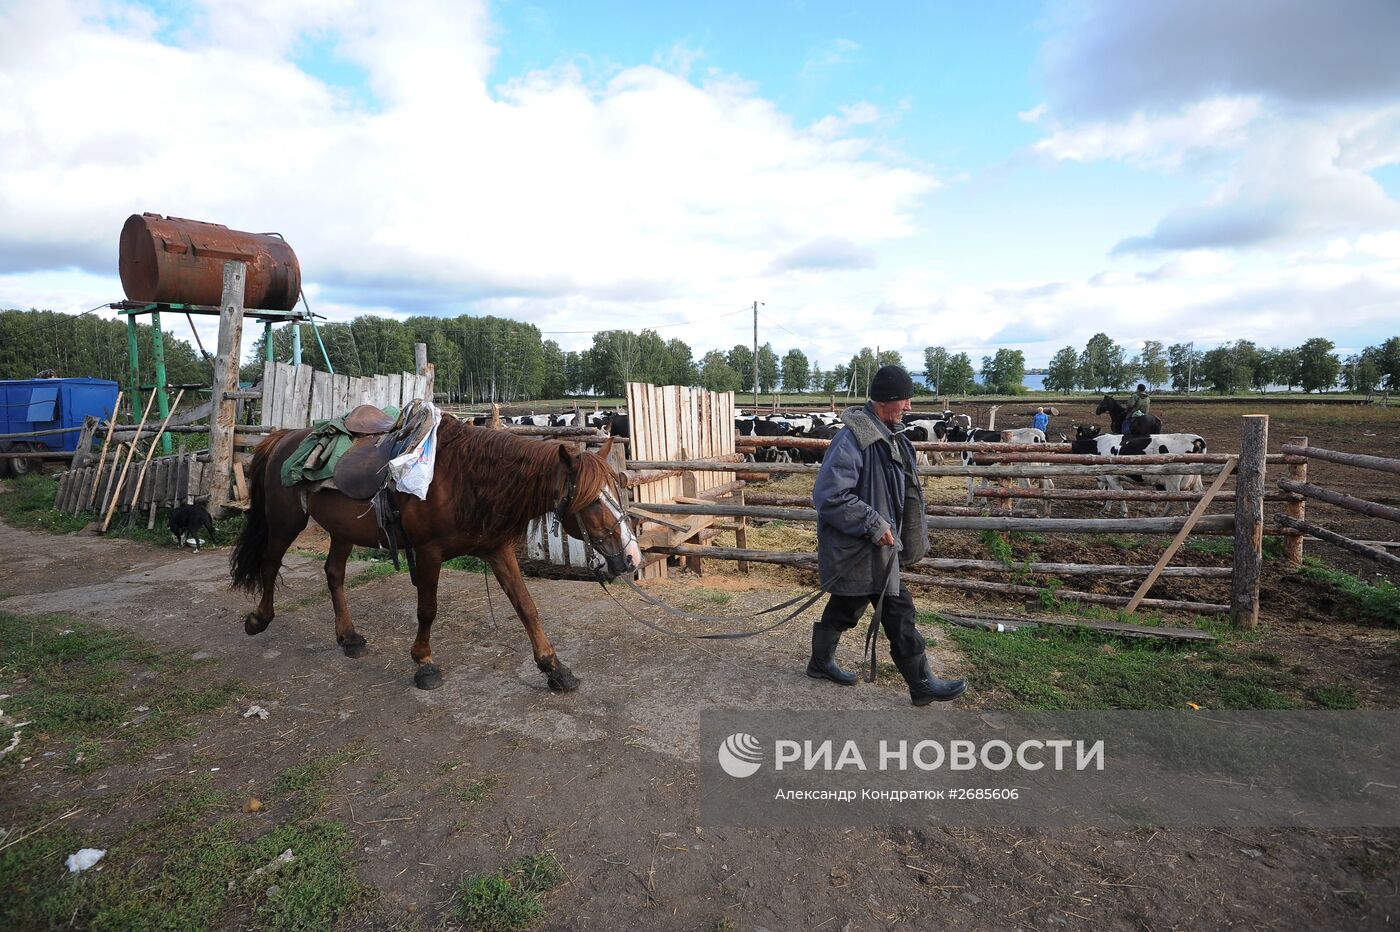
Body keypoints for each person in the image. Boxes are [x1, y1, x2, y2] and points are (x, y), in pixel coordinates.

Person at [807, 365, 966, 705]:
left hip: (875, 549)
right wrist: (874, 524)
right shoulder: (852, 438)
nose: (909, 407)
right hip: (861, 546)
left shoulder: (889, 435)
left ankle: (820, 661)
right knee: (899, 608)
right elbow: (829, 495)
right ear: (885, 401)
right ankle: (921, 683)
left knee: (848, 606)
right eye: (904, 400)